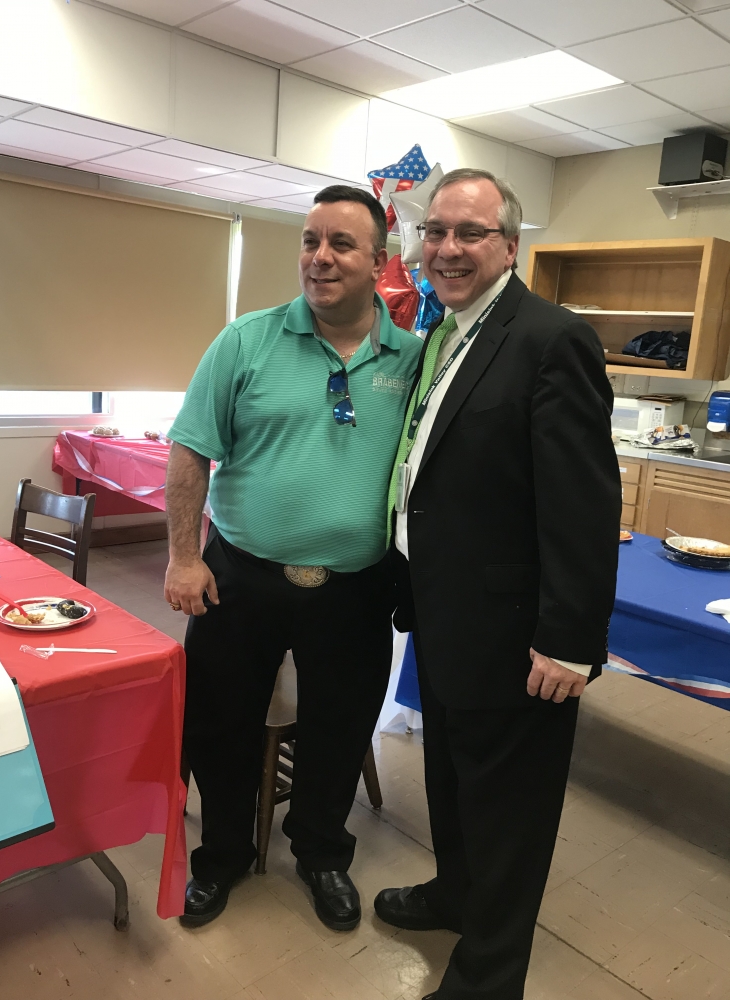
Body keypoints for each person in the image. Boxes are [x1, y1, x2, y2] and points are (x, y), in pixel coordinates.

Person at [374, 169, 621, 1000]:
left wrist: (570, 640)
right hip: (446, 619)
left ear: (509, 246)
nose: (445, 248)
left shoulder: (552, 339)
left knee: (509, 812)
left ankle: (488, 975)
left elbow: (583, 506)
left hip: (519, 636)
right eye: (435, 231)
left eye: (469, 233)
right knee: (452, 780)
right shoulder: (447, 334)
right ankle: (454, 893)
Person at [165, 186, 422, 931]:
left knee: (341, 727)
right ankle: (218, 858)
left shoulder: (413, 359)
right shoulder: (246, 340)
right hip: (240, 575)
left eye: (341, 244)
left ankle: (320, 854)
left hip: (357, 588)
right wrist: (185, 557)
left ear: (379, 262)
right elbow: (190, 452)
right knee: (221, 724)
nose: (320, 257)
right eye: (310, 241)